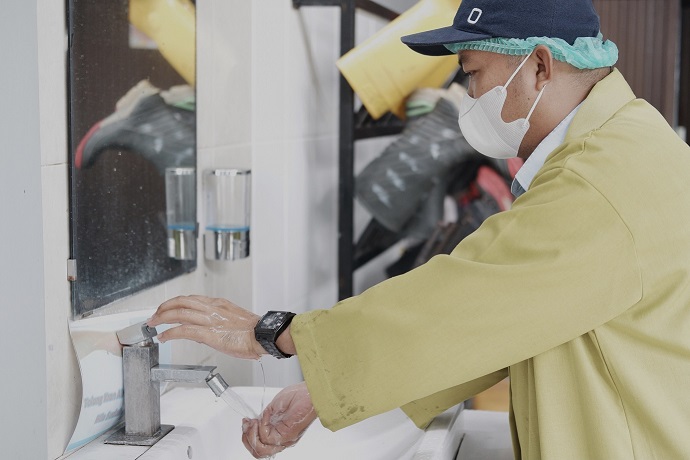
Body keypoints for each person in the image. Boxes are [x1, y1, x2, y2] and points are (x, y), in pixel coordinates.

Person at [147, 0, 690, 458]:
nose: (469, 96)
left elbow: (467, 298)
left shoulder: (599, 180)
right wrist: (322, 393)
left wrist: (276, 334)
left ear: (540, 67)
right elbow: (507, 318)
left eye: (472, 73)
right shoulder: (618, 144)